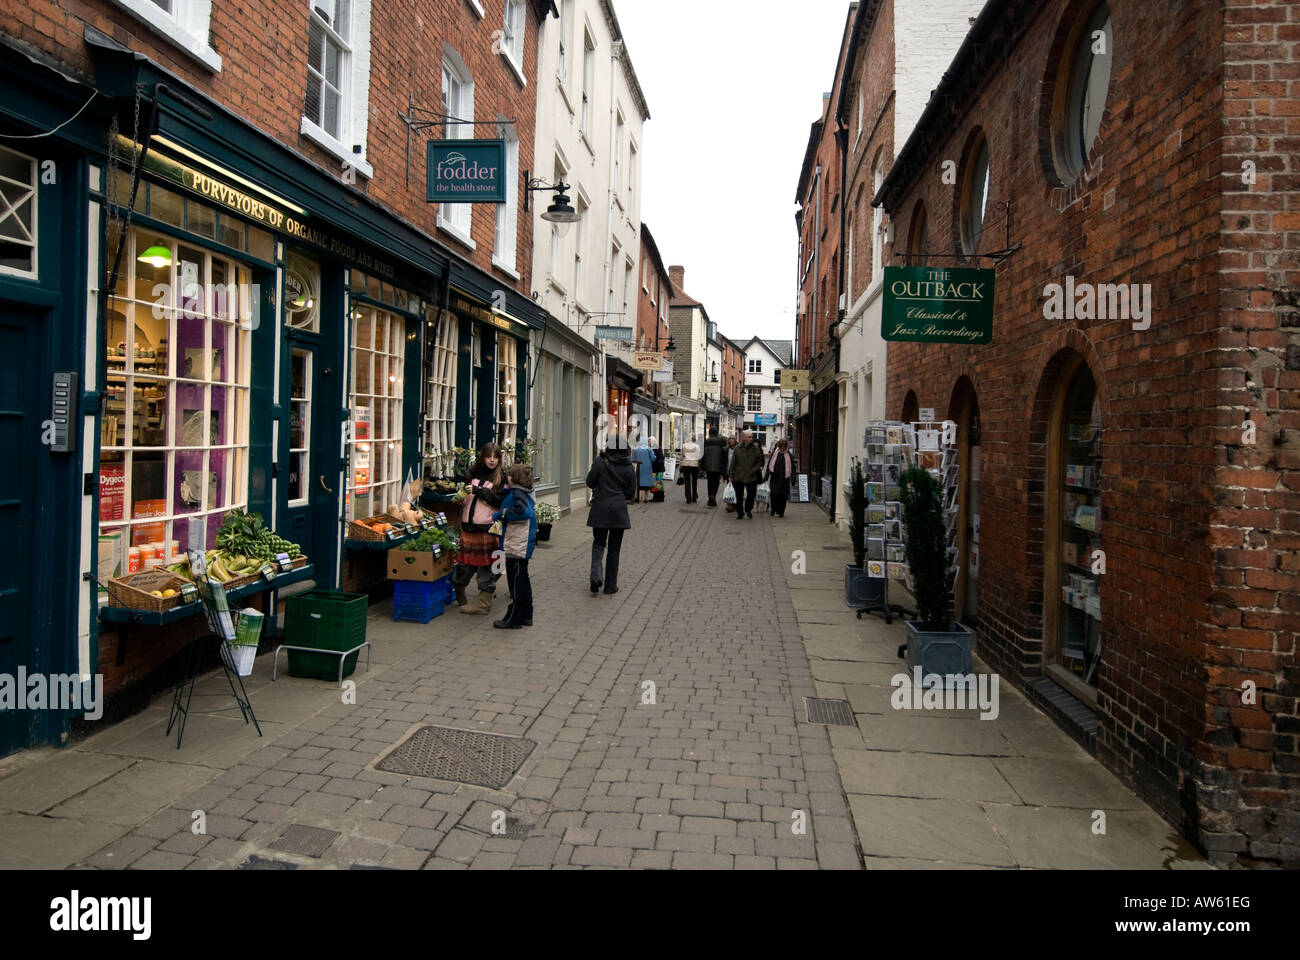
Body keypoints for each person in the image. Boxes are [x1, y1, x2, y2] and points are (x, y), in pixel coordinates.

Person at [454, 442, 505, 615]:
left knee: (487, 567)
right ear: (482, 457)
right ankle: (460, 593)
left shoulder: (501, 477)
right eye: (488, 456)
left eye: (495, 457)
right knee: (464, 566)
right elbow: (468, 496)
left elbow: (498, 502)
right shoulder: (472, 473)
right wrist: (461, 498)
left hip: (486, 528)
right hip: (468, 526)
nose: (492, 460)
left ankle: (483, 604)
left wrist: (478, 490)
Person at [587, 443, 637, 595]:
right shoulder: (629, 467)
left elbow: (590, 482)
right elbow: (630, 493)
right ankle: (610, 586)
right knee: (614, 549)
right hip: (618, 512)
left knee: (598, 544)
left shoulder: (599, 462)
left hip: (600, 509)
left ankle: (595, 577)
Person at [492, 463, 537, 630]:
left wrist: (500, 514)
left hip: (517, 544)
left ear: (514, 478)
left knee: (517, 581)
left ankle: (514, 618)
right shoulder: (524, 491)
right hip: (520, 542)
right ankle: (526, 615)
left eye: (509, 475)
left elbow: (524, 512)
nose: (507, 477)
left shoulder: (518, 493)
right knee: (522, 579)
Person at [729, 430, 763, 521]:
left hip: (751, 476)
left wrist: (755, 469)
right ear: (744, 438)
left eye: (752, 437)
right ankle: (740, 513)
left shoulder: (755, 449)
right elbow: (733, 462)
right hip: (739, 475)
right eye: (749, 437)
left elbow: (759, 461)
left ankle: (748, 509)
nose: (751, 439)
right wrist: (730, 475)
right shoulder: (737, 448)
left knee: (751, 494)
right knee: (738, 496)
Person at [764, 438, 793, 518]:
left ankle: (781, 512)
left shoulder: (789, 455)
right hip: (775, 478)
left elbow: (792, 468)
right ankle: (773, 510)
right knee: (773, 496)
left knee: (783, 497)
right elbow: (769, 465)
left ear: (786, 447)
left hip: (784, 479)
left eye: (784, 447)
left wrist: (793, 479)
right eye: (780, 447)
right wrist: (766, 477)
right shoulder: (775, 454)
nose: (782, 449)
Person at [700, 428, 727, 507]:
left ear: (709, 433)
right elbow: (723, 454)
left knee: (709, 482)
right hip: (717, 466)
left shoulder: (705, 442)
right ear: (716, 433)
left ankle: (710, 498)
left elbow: (702, 455)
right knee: (716, 481)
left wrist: (702, 466)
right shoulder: (720, 442)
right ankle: (713, 495)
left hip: (708, 466)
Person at [631, 436, 655, 503]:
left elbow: (632, 458)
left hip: (638, 467)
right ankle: (646, 498)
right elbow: (653, 458)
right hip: (647, 468)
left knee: (638, 481)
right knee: (646, 483)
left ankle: (637, 497)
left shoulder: (636, 449)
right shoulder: (648, 449)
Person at [680, 434, 702, 504]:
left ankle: (688, 498)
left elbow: (682, 456)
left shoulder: (684, 445)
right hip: (694, 465)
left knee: (687, 481)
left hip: (686, 465)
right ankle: (694, 497)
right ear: (694, 439)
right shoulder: (697, 446)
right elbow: (699, 456)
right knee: (694, 481)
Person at [650, 436, 666, 502]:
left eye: (649, 441)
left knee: (658, 483)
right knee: (655, 483)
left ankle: (660, 497)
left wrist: (656, 462)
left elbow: (661, 457)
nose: (648, 442)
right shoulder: (653, 447)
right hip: (655, 468)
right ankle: (655, 497)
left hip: (658, 469)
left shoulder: (656, 447)